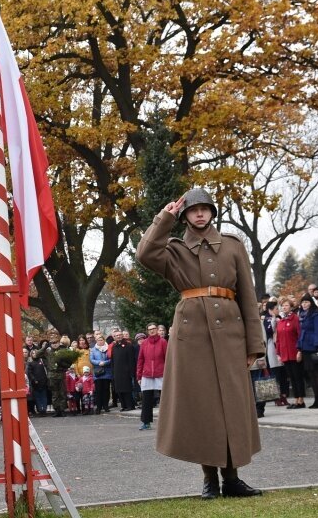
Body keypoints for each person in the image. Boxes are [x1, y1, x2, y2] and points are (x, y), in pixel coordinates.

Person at [136, 188, 264, 499]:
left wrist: (254, 344)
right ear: (184, 215)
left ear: (212, 212)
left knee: (232, 406)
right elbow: (144, 254)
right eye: (194, 210)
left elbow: (248, 296)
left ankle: (232, 479)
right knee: (203, 407)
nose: (200, 213)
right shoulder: (174, 250)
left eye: (206, 208)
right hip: (192, 338)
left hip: (232, 335)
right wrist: (164, 217)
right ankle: (210, 479)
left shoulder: (234, 247)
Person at [296, 295, 318, 409]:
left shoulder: (316, 313)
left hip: (314, 346)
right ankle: (316, 399)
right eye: (303, 302)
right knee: (311, 374)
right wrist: (299, 347)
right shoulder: (302, 315)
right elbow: (301, 332)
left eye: (306, 302)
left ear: (311, 303)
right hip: (305, 346)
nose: (304, 304)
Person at [136, 323, 167, 430]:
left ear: (157, 330)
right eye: (150, 329)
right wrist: (139, 376)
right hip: (147, 374)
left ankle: (166, 423)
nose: (152, 331)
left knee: (165, 399)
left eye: (154, 329)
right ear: (147, 331)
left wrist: (168, 374)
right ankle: (146, 422)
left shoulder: (163, 342)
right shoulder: (144, 343)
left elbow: (167, 358)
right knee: (146, 400)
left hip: (161, 373)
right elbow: (140, 360)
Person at [276, 300, 304, 409]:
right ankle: (296, 399)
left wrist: (299, 350)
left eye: (286, 305)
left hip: (294, 352)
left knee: (297, 377)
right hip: (285, 354)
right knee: (291, 378)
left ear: (291, 307)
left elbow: (299, 335)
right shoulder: (281, 321)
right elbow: (278, 339)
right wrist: (278, 353)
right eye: (282, 305)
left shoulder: (295, 319)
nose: (284, 307)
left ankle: (300, 400)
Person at [111, 331, 136, 411]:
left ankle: (130, 405)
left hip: (126, 372)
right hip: (117, 372)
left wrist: (131, 372)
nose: (118, 337)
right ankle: (123, 405)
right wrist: (113, 371)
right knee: (119, 389)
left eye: (119, 335)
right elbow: (113, 360)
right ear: (114, 337)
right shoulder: (114, 347)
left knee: (127, 389)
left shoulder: (128, 346)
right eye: (116, 335)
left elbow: (132, 360)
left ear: (122, 336)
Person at [89, 335, 112, 414]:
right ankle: (99, 407)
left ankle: (105, 406)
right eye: (98, 340)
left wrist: (104, 363)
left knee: (106, 389)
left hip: (107, 372)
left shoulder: (108, 348)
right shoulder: (93, 350)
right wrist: (99, 363)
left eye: (101, 340)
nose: (100, 341)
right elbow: (91, 359)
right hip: (98, 372)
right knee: (98, 390)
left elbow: (111, 359)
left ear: (104, 340)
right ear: (96, 341)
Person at [26, 350, 49, 416]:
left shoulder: (42, 362)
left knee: (44, 396)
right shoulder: (31, 363)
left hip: (43, 381)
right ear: (31, 354)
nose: (35, 354)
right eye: (33, 353)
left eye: (36, 353)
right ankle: (40, 410)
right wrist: (34, 379)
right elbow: (30, 373)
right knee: (37, 397)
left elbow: (45, 371)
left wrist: (46, 380)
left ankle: (44, 410)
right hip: (35, 382)